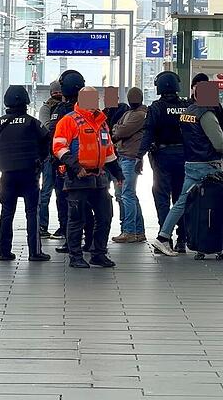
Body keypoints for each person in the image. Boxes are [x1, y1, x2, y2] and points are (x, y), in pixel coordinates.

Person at [150, 80, 223, 257]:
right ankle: (222, 244)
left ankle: (164, 236)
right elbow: (219, 143)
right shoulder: (207, 114)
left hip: (191, 163)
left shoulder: (187, 112)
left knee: (182, 202)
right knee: (221, 203)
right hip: (208, 165)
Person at [52, 87, 124, 268]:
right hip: (78, 177)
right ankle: (75, 256)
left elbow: (108, 151)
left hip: (98, 177)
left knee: (105, 216)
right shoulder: (69, 121)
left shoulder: (101, 122)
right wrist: (76, 167)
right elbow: (59, 147)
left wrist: (117, 173)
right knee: (77, 218)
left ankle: (98, 253)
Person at [0, 85, 52, 262]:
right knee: (32, 212)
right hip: (29, 174)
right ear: (26, 102)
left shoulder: (1, 122)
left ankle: (4, 252)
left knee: (6, 213)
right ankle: (34, 252)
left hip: (7, 174)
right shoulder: (33, 122)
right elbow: (46, 141)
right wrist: (39, 160)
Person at [137, 71, 189, 252]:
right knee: (181, 198)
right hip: (184, 157)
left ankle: (165, 236)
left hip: (163, 157)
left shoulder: (156, 108)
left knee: (162, 198)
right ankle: (182, 238)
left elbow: (148, 133)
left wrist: (139, 156)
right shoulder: (187, 106)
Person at [47, 70, 94, 253]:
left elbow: (53, 137)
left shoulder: (60, 111)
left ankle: (70, 241)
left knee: (66, 203)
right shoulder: (91, 110)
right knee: (89, 204)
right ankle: (90, 241)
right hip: (89, 165)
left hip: (64, 165)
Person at [110, 87, 147, 243]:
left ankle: (130, 231)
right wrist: (118, 130)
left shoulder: (139, 115)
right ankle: (138, 230)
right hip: (125, 157)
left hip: (129, 157)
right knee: (127, 194)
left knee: (127, 195)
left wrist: (118, 130)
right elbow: (116, 127)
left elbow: (120, 131)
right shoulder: (129, 113)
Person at [36, 81, 64, 238]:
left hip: (50, 154)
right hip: (55, 155)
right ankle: (61, 226)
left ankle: (42, 226)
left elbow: (46, 127)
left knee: (47, 191)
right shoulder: (51, 108)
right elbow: (47, 128)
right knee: (59, 192)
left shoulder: (45, 108)